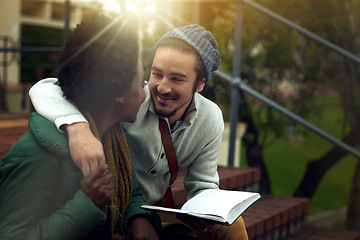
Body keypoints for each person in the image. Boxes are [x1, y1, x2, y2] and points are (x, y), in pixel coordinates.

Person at [29, 24, 248, 239]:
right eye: (157, 74)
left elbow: (203, 185)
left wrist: (206, 212)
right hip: (115, 210)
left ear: (200, 83)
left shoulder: (211, 118)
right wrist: (78, 128)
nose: (162, 87)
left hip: (159, 213)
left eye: (177, 79)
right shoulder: (130, 99)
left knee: (232, 226)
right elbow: (45, 88)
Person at [0, 13, 160, 240]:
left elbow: (132, 192)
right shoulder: (38, 155)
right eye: (141, 84)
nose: (145, 94)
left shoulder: (115, 139)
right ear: (118, 94)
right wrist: (87, 204)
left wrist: (139, 217)